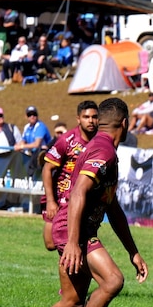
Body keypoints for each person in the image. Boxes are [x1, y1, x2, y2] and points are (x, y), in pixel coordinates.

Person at [11, 98, 149, 307]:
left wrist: (132, 251)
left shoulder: (104, 149)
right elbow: (77, 193)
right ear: (126, 123)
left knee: (73, 301)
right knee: (113, 281)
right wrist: (73, 242)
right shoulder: (103, 150)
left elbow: (113, 206)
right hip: (74, 230)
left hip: (76, 229)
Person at [40, 101, 99, 252]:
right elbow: (47, 169)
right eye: (86, 117)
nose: (91, 121)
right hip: (59, 196)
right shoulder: (67, 140)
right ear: (78, 119)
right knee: (51, 244)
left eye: (94, 117)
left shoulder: (100, 142)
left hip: (80, 197)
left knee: (73, 241)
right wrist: (51, 201)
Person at [15, 106, 52, 176]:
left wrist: (22, 146)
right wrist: (18, 146)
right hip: (32, 156)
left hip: (42, 157)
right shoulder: (27, 127)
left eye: (34, 114)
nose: (32, 116)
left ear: (37, 116)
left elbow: (36, 144)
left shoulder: (40, 126)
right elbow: (23, 140)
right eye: (29, 115)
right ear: (26, 117)